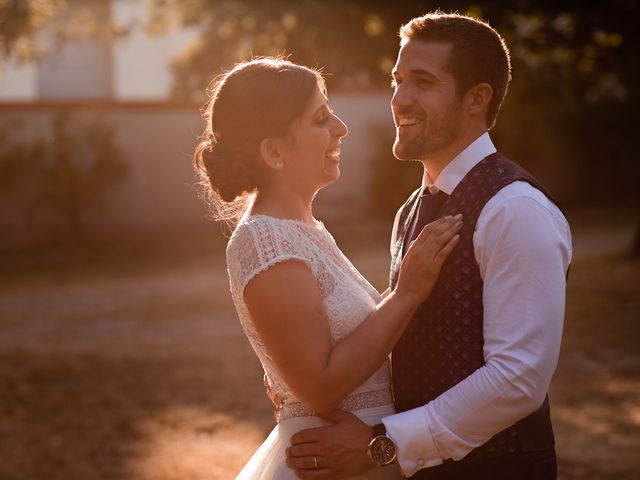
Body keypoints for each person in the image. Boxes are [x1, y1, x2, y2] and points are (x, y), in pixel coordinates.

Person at [286, 11, 572, 480]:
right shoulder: (411, 210)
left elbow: (519, 379)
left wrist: (385, 443)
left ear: (476, 99)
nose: (399, 99)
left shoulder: (516, 210)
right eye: (397, 80)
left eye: (422, 82)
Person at [193, 57, 463, 479]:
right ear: (274, 151)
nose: (341, 127)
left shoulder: (304, 230)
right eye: (321, 118)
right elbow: (321, 386)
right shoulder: (265, 242)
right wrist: (407, 293)